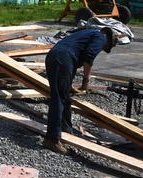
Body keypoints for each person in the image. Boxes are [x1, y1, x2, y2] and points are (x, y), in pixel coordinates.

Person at [43, 26, 115, 155]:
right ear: (108, 42)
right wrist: (85, 82)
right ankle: (52, 139)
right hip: (62, 57)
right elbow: (88, 58)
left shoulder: (86, 33)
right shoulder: (101, 38)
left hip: (55, 55)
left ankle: (66, 131)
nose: (102, 49)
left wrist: (69, 84)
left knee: (64, 96)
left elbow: (74, 59)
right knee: (58, 98)